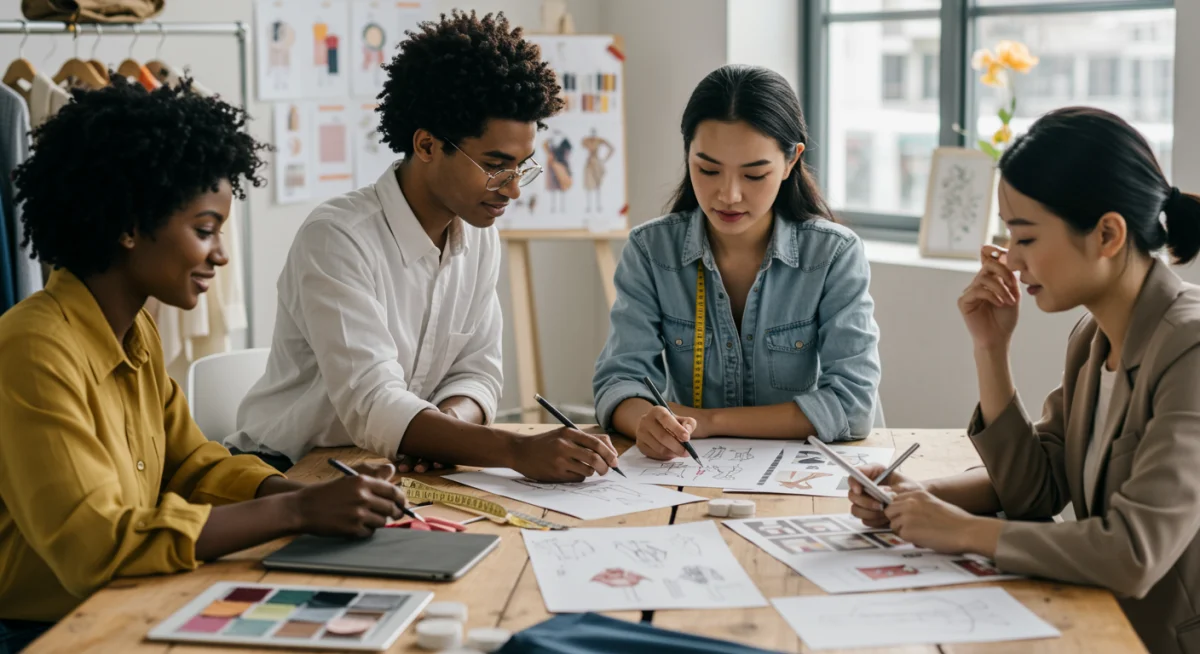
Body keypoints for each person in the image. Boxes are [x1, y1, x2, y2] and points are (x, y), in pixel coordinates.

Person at [0, 80, 411, 654]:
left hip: (129, 599)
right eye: (204, 230)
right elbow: (95, 548)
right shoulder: (34, 349)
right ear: (128, 226)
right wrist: (296, 509)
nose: (220, 254)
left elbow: (189, 463)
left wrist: (289, 491)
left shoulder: (132, 331)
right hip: (47, 633)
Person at [848, 107, 1200, 654]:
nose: (1010, 260)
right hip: (1091, 617)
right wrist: (990, 350)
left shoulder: (1190, 348)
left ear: (1107, 233)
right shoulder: (1094, 337)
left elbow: (1134, 552)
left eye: (1026, 238)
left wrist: (960, 530)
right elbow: (1038, 489)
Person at [226, 11, 619, 482]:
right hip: (284, 472)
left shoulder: (479, 236)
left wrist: (446, 426)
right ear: (428, 145)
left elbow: (479, 374)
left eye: (522, 167)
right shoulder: (337, 239)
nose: (513, 189)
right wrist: (516, 449)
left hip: (394, 467)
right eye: (497, 165)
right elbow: (373, 403)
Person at [592, 65, 880, 460]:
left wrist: (710, 422)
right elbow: (620, 380)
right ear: (687, 153)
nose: (728, 195)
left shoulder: (833, 255)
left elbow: (853, 404)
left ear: (791, 161)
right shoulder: (650, 250)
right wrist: (646, 422)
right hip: (687, 475)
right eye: (707, 169)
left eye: (754, 174)